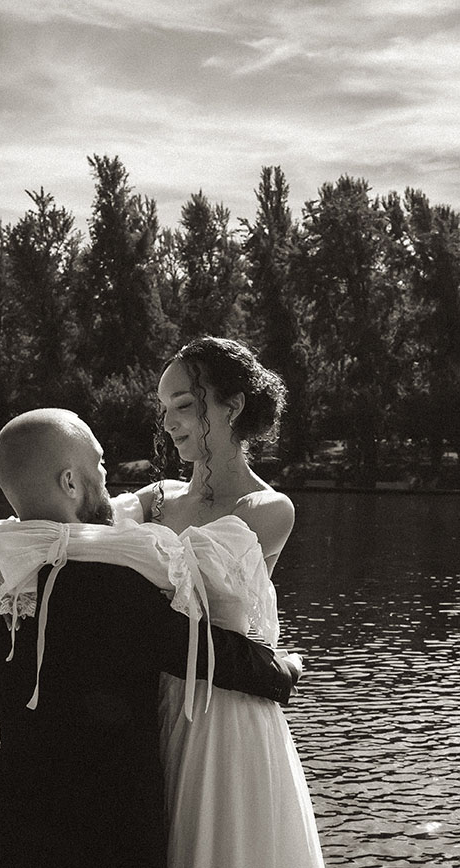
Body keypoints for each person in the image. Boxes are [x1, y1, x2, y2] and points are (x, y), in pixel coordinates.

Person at [0, 408, 302, 868]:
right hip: (105, 836)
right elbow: (211, 654)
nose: (108, 480)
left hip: (15, 829)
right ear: (70, 482)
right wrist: (285, 670)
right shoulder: (111, 581)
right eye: (100, 465)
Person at [134, 336, 325, 868]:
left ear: (233, 406)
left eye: (185, 405)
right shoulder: (154, 500)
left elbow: (182, 581)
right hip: (154, 702)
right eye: (165, 408)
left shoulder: (269, 509)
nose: (170, 422)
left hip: (228, 716)